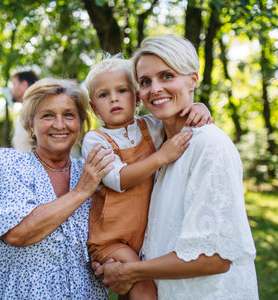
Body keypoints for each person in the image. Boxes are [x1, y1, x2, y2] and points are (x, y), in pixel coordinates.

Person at [93, 35, 259, 299]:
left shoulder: (209, 145)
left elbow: (215, 258)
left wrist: (131, 271)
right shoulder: (159, 145)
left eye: (167, 76)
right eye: (145, 82)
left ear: (193, 79)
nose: (155, 89)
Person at [0, 78, 115, 299]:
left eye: (68, 115)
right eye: (47, 115)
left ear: (81, 124)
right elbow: (18, 234)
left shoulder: (89, 171)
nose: (59, 124)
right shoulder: (11, 166)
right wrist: (81, 191)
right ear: (31, 126)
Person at [82, 55, 213, 299]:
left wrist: (199, 108)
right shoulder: (96, 140)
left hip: (145, 238)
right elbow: (118, 179)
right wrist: (161, 156)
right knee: (144, 289)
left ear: (137, 96)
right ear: (93, 107)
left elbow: (179, 117)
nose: (114, 98)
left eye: (122, 90)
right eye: (103, 95)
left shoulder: (150, 126)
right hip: (112, 240)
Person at [10, 70, 40, 151]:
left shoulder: (36, 110)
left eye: (13, 84)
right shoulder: (26, 110)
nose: (11, 90)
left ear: (23, 85)